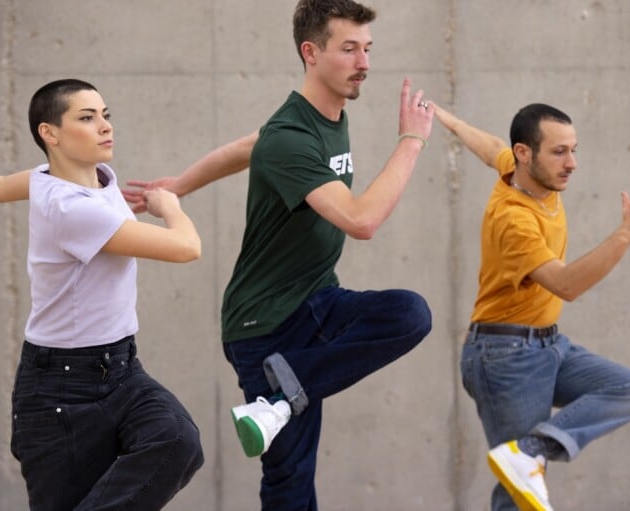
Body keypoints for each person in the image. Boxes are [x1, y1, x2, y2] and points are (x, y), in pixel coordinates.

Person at [124, 1, 434, 509]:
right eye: (350, 48)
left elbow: (248, 145)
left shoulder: (316, 119)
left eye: (368, 49)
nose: (364, 63)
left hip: (317, 300)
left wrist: (178, 184)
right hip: (263, 326)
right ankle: (279, 399)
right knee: (290, 481)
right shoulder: (292, 136)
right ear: (311, 53)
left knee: (408, 314)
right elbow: (361, 221)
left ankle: (276, 402)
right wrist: (411, 141)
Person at [0, 78, 205, 510]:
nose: (104, 126)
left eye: (105, 115)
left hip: (121, 368)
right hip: (60, 390)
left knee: (177, 439)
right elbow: (187, 248)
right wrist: (171, 208)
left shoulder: (69, 180)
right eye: (87, 118)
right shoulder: (69, 208)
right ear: (49, 133)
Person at [433, 103, 630, 511]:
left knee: (628, 389)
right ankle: (527, 455)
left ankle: (529, 449)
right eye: (559, 152)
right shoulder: (514, 219)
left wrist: (452, 122)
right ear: (526, 153)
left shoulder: (517, 168)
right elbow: (566, 285)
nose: (572, 163)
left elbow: (491, 147)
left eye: (573, 149)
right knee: (518, 496)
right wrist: (627, 234)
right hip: (504, 356)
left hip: (548, 346)